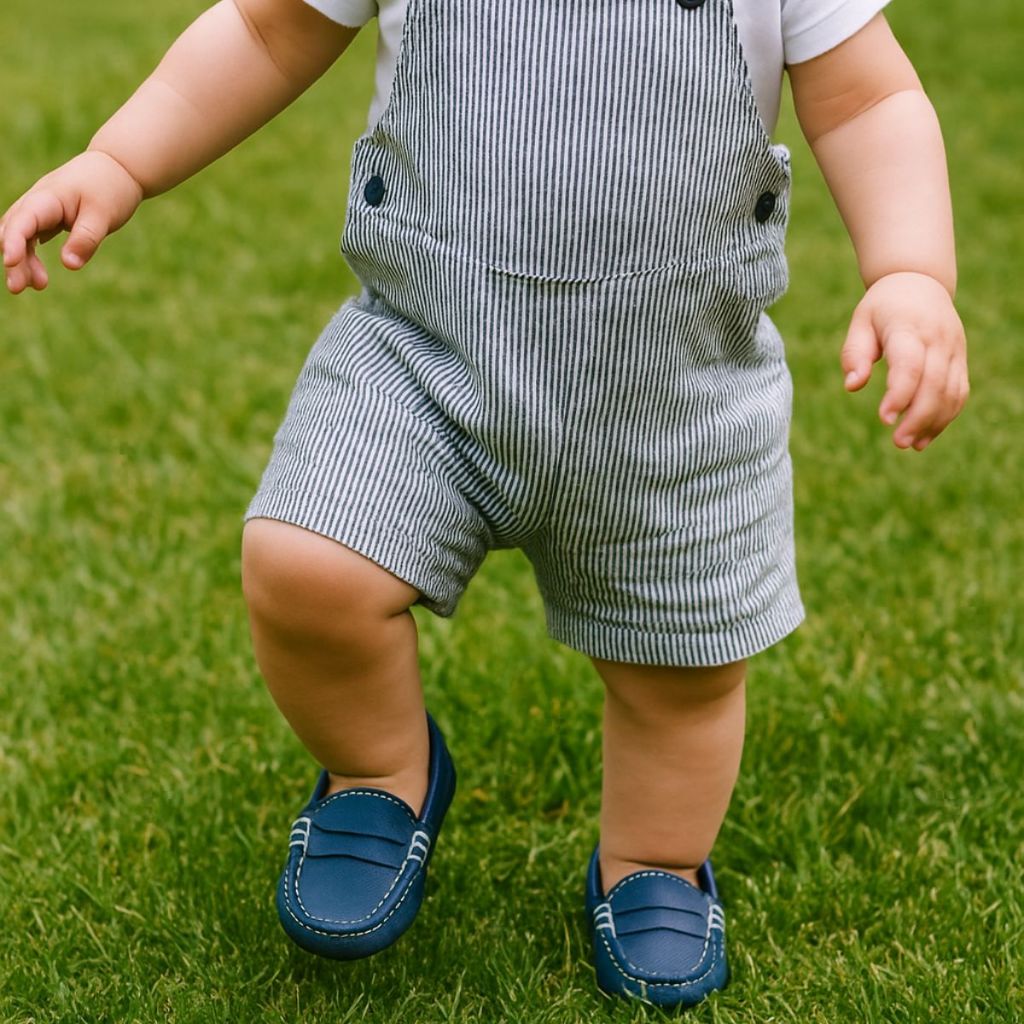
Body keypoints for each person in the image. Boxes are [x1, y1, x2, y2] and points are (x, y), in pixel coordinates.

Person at [1, 0, 968, 1008]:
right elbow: (265, 30)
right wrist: (120, 161)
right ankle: (379, 770)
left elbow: (869, 101)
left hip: (670, 398)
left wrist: (910, 271)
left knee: (681, 676)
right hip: (423, 358)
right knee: (305, 567)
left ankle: (655, 859)